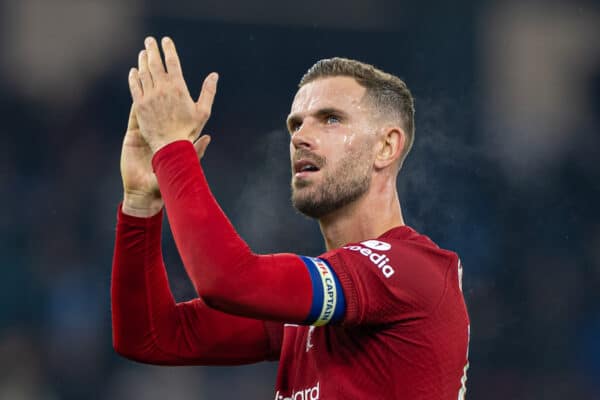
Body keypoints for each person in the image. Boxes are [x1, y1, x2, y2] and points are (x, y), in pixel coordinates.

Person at [111, 36, 470, 399]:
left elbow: (229, 281)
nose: (301, 137)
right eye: (295, 125)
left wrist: (174, 150)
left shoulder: (410, 270)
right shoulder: (319, 306)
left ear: (386, 146)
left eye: (330, 119)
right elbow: (151, 336)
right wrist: (141, 205)